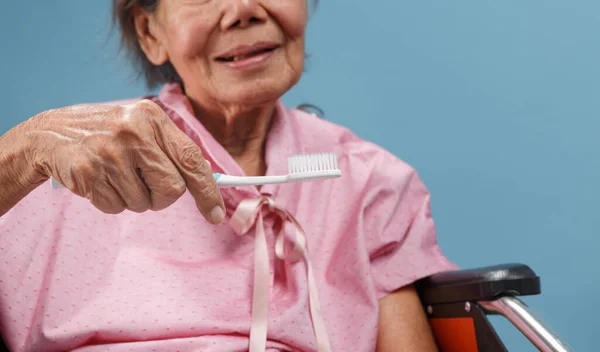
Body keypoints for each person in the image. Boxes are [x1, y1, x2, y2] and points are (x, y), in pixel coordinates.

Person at [0, 0, 457, 351]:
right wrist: (22, 152)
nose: (241, 11)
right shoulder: (58, 167)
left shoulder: (371, 183)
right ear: (149, 31)